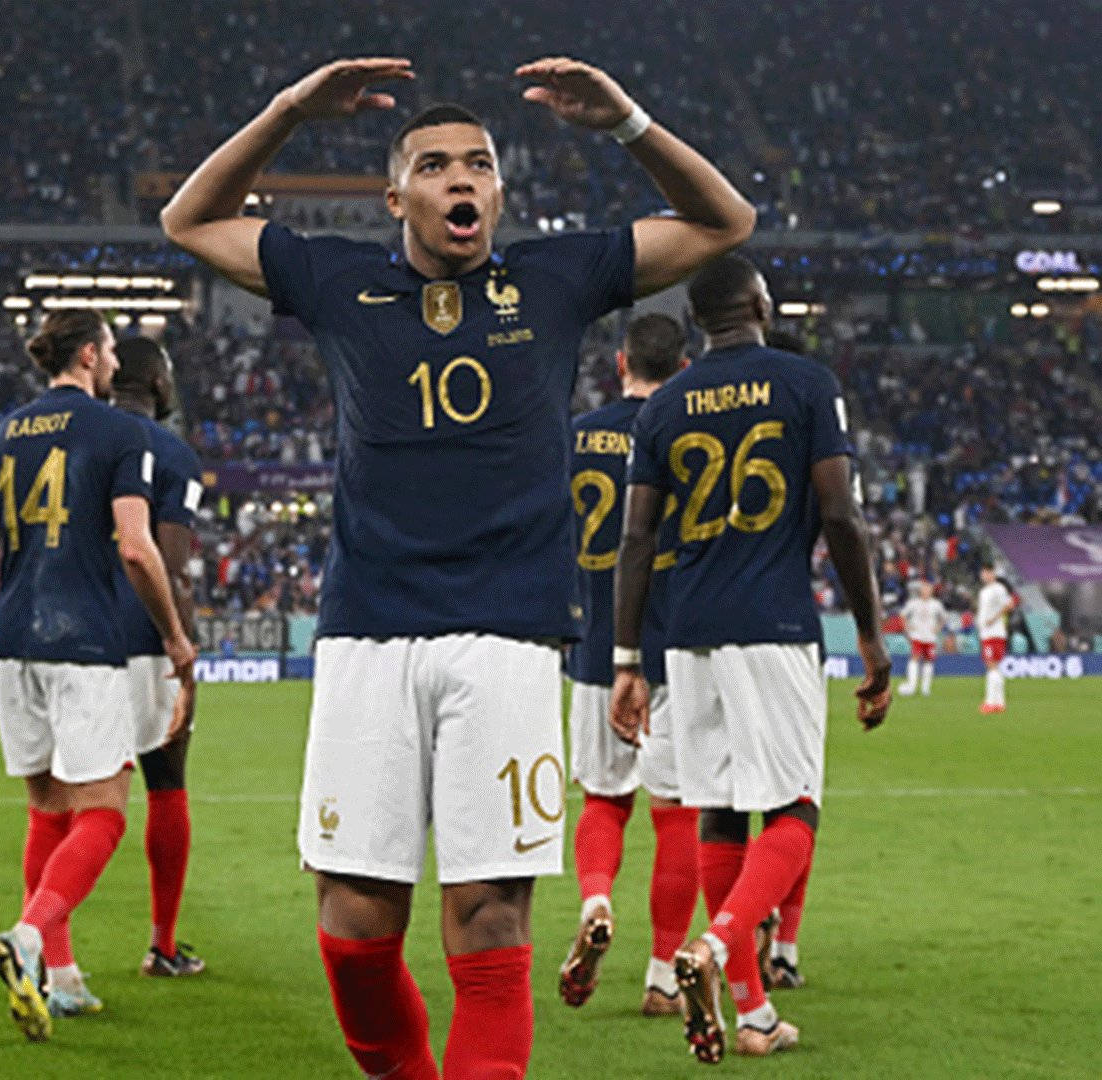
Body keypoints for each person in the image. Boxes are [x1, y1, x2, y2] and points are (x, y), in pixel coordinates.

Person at [160, 54, 754, 1078]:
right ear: (396, 195)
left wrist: (626, 121)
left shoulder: (556, 278)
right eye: (434, 165)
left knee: (487, 919)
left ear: (501, 191)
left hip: (511, 636)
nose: (460, 180)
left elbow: (723, 224)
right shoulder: (341, 278)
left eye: (478, 164)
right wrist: (294, 109)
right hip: (366, 633)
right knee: (352, 929)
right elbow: (189, 219)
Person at [611, 253, 893, 1063]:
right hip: (772, 623)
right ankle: (723, 943)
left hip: (686, 633)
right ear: (761, 303)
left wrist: (630, 656)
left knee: (721, 810)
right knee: (795, 807)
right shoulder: (806, 384)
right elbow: (839, 513)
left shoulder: (664, 405)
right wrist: (869, 635)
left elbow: (637, 538)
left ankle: (756, 1015)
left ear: (700, 322)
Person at [0, 310, 197, 1041]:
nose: (114, 361)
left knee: (47, 811)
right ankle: (28, 939)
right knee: (106, 812)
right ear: (89, 354)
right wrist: (175, 637)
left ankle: (65, 975)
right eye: (110, 348)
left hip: (14, 644)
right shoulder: (121, 434)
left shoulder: (2, 435)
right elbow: (140, 551)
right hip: (84, 642)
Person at [557, 313, 694, 1017]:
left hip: (594, 650)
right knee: (677, 816)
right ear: (684, 365)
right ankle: (664, 975)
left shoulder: (576, 437)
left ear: (620, 364)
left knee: (604, 801)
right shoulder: (688, 434)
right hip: (677, 647)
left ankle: (597, 899)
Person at [111, 337, 208, 982]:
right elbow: (166, 563)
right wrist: (185, 647)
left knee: (69, 798)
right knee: (165, 780)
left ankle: (45, 943)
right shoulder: (172, 455)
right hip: (144, 638)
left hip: (70, 637)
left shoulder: (74, 435)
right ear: (159, 382)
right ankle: (163, 944)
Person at [976, 566, 1016, 713]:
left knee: (991, 665)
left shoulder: (998, 588)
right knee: (993, 667)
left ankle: (990, 702)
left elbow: (1010, 604)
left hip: (994, 632)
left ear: (992, 574)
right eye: (983, 573)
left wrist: (994, 618)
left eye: (986, 572)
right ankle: (999, 703)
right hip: (987, 633)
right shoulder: (984, 591)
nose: (984, 575)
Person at [899, 580, 947, 697]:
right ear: (920, 591)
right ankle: (912, 685)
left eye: (928, 589)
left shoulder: (936, 604)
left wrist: (937, 629)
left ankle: (925, 688)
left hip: (930, 638)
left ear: (931, 591)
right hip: (917, 636)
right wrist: (907, 628)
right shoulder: (913, 603)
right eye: (924, 589)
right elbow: (902, 615)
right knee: (914, 658)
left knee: (928, 661)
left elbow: (943, 618)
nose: (926, 591)